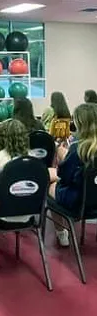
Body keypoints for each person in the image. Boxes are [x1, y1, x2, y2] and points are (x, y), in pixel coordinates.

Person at [49, 103, 97, 246]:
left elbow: (64, 176)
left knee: (49, 185)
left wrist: (63, 156)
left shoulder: (78, 149)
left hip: (79, 202)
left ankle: (62, 234)